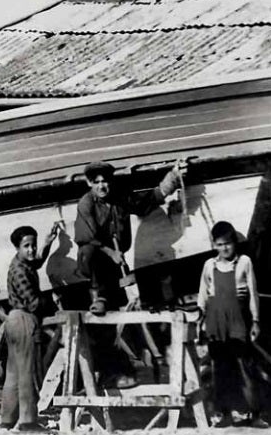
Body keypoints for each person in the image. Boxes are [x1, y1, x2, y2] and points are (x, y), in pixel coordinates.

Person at [73, 160, 184, 389]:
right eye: (97, 183)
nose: (103, 186)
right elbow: (87, 237)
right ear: (89, 184)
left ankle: (114, 370)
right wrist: (112, 252)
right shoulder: (85, 203)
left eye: (106, 181)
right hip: (94, 261)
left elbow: (144, 205)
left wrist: (172, 179)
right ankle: (98, 298)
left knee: (111, 321)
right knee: (89, 249)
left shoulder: (118, 197)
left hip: (114, 264)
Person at [197, 221, 267, 428]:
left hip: (239, 320)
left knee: (246, 368)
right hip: (216, 322)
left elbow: (253, 294)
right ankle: (225, 414)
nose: (224, 248)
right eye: (219, 244)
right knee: (220, 370)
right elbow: (203, 295)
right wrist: (200, 320)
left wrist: (255, 321)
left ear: (234, 243)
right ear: (214, 245)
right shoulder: (209, 265)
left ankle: (255, 415)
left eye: (227, 243)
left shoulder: (244, 262)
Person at [0, 223, 60, 432]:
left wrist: (47, 243)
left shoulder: (22, 264)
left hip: (13, 320)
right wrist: (53, 302)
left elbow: (37, 261)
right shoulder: (19, 271)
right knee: (27, 372)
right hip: (24, 320)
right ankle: (27, 421)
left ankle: (7, 420)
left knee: (14, 372)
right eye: (27, 246)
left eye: (33, 245)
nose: (31, 250)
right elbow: (34, 303)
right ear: (17, 247)